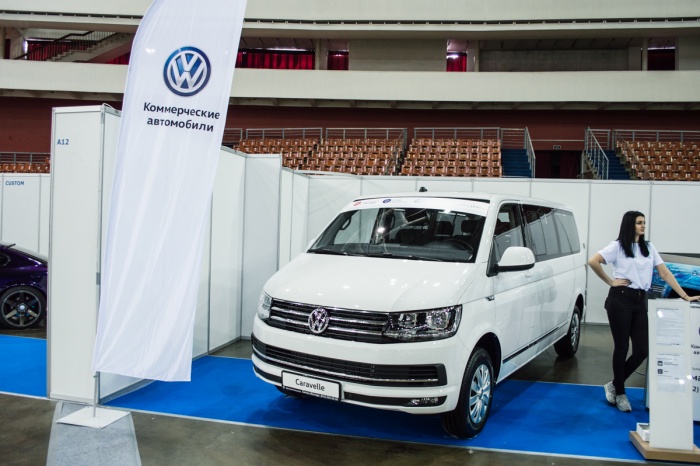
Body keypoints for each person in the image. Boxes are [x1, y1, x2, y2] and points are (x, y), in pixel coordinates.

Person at [587, 211, 700, 412]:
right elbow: (593, 261)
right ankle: (620, 393)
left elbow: (664, 273)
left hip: (640, 300)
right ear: (630, 224)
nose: (643, 226)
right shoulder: (617, 246)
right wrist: (611, 281)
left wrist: (685, 296)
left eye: (644, 222)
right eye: (639, 223)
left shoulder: (648, 247)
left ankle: (614, 384)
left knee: (642, 350)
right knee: (621, 347)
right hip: (620, 299)